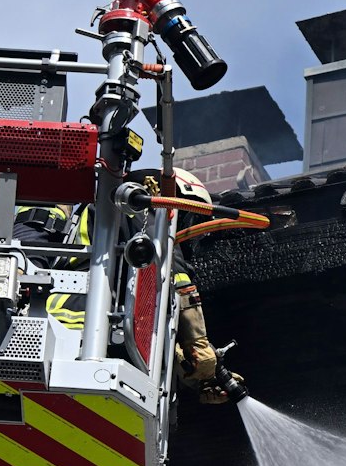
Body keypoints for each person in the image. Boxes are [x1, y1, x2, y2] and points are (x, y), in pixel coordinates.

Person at [13, 169, 245, 404]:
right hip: (84, 327)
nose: (185, 229)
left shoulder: (116, 228)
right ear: (176, 198)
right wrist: (197, 342)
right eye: (190, 217)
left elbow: (146, 317)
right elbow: (172, 269)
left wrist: (196, 374)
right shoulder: (139, 206)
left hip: (69, 332)